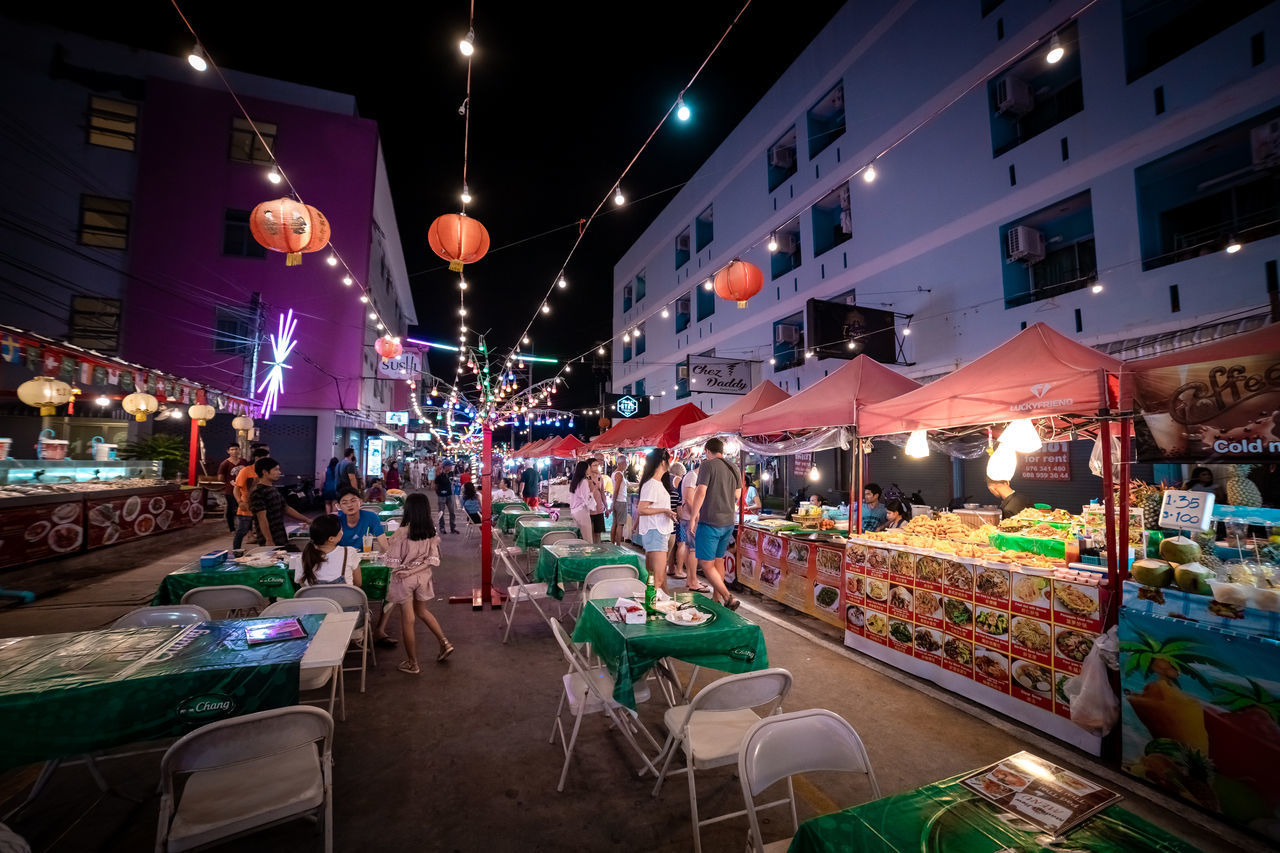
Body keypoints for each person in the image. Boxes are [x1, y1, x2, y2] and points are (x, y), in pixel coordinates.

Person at [384, 493, 452, 673]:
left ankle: (412, 663)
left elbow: (392, 562)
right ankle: (444, 642)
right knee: (422, 611)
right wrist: (415, 570)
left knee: (408, 620)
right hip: (423, 578)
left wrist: (406, 570)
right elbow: (432, 560)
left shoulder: (401, 533)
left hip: (403, 580)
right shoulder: (431, 532)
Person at [686, 437, 742, 609]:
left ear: (708, 451)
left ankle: (727, 597)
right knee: (719, 560)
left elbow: (700, 492)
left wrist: (693, 517)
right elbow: (738, 495)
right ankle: (716, 599)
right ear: (722, 451)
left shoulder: (707, 465)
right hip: (728, 522)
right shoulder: (734, 467)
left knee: (706, 563)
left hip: (710, 522)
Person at [637, 447, 677, 592]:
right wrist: (665, 510)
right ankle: (651, 610)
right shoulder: (652, 484)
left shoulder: (656, 483)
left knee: (658, 578)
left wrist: (667, 512)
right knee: (657, 580)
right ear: (662, 462)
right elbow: (641, 509)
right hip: (656, 532)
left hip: (658, 532)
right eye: (668, 460)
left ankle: (659, 608)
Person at [250, 458, 311, 548]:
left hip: (280, 535)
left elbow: (286, 508)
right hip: (269, 539)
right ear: (265, 472)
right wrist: (269, 540)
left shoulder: (273, 489)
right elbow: (262, 519)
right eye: (276, 469)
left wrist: (307, 520)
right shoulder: (258, 492)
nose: (279, 472)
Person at [290, 513, 361, 590]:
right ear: (331, 539)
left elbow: (304, 588)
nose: (342, 531)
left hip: (315, 601)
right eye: (340, 530)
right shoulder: (349, 552)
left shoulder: (303, 558)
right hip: (344, 601)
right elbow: (358, 583)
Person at [233, 446, 271, 550]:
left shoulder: (266, 472)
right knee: (242, 530)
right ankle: (236, 551)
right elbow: (236, 488)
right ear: (257, 458)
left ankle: (264, 551)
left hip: (262, 506)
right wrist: (239, 501)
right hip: (247, 506)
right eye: (264, 458)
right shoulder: (246, 471)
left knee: (264, 530)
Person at [568, 459, 599, 543]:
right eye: (588, 468)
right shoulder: (584, 481)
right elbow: (587, 499)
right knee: (587, 537)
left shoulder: (575, 481)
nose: (589, 470)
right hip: (581, 511)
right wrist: (593, 490)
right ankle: (587, 555)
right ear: (584, 470)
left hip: (575, 511)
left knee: (578, 537)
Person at [665, 462, 685, 579]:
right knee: (681, 544)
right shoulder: (677, 479)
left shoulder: (665, 479)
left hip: (668, 517)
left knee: (671, 546)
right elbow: (680, 500)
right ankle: (679, 570)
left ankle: (671, 568)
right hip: (676, 516)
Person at [217, 443, 242, 533]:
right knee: (231, 509)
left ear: (239, 450)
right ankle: (232, 528)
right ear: (228, 451)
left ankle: (245, 528)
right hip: (230, 491)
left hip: (243, 490)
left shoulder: (244, 462)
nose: (234, 451)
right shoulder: (224, 464)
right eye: (232, 449)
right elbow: (220, 477)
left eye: (236, 449)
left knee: (244, 509)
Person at [609, 456, 628, 545]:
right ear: (622, 463)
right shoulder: (619, 474)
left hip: (617, 501)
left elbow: (627, 484)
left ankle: (613, 543)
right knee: (620, 525)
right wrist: (613, 502)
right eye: (626, 463)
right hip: (620, 501)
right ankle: (618, 545)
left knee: (615, 523)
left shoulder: (614, 473)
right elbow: (616, 490)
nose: (627, 465)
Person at [436, 463, 458, 533]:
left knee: (452, 512)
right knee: (441, 512)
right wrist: (439, 493)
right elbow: (435, 485)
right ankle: (442, 528)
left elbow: (452, 482)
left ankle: (452, 528)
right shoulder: (440, 475)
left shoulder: (451, 474)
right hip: (442, 496)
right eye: (449, 466)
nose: (451, 467)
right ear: (445, 466)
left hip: (450, 495)